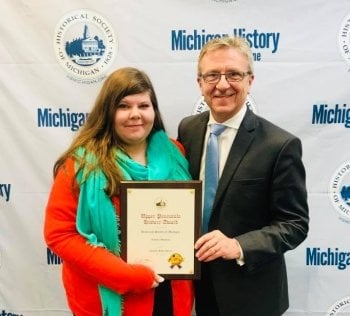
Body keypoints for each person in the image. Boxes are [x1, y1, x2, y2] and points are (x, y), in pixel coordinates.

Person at [44, 67, 194, 316]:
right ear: (108, 111)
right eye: (124, 106)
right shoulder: (81, 164)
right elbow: (60, 234)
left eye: (143, 106)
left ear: (154, 111)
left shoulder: (175, 153)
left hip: (169, 290)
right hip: (110, 293)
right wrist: (128, 276)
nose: (135, 114)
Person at [177, 36, 309, 316]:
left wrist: (238, 245)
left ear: (250, 80)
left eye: (234, 74)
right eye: (212, 75)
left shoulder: (279, 145)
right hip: (195, 286)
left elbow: (295, 224)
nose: (222, 84)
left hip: (252, 295)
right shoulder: (187, 129)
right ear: (199, 83)